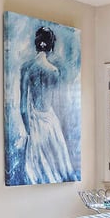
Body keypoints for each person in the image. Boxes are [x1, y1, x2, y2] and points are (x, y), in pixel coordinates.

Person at [19, 26, 75, 183]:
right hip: (50, 122)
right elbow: (57, 104)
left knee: (36, 172)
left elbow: (23, 108)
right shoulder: (54, 71)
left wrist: (29, 132)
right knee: (58, 167)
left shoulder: (26, 68)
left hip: (35, 122)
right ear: (50, 46)